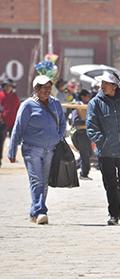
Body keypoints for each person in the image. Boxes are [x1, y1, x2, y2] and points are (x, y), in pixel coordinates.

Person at [8, 75, 66, 225]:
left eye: (49, 87)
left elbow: (63, 123)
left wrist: (58, 137)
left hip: (50, 150)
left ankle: (35, 212)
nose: (47, 90)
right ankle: (41, 211)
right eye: (43, 88)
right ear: (36, 89)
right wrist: (12, 150)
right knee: (37, 180)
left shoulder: (56, 104)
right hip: (31, 149)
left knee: (44, 181)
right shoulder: (27, 105)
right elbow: (18, 128)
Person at [86, 71, 120, 225]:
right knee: (110, 184)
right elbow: (91, 127)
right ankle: (113, 214)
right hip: (106, 151)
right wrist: (102, 140)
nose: (102, 86)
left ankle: (115, 207)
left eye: (105, 83)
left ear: (114, 86)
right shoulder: (94, 103)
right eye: (102, 83)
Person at [70, 89, 92, 180]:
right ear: (83, 96)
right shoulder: (77, 107)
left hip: (86, 134)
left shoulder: (87, 107)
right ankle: (83, 174)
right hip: (80, 134)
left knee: (87, 154)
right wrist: (87, 121)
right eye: (87, 96)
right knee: (85, 155)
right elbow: (75, 122)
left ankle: (72, 168)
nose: (89, 98)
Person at [0, 79, 20, 167]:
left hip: (13, 122)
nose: (8, 88)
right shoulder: (0, 95)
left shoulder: (15, 96)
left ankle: (12, 156)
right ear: (3, 87)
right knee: (1, 141)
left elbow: (18, 108)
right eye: (7, 86)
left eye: (10, 86)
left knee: (14, 140)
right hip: (2, 122)